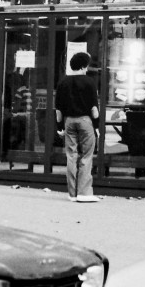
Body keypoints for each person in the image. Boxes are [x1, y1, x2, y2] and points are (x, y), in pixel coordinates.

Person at [55, 52, 100, 203]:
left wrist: (59, 126)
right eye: (86, 65)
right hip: (85, 121)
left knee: (71, 156)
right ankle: (84, 192)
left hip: (69, 121)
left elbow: (59, 110)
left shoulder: (63, 82)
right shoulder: (89, 82)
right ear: (83, 65)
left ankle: (72, 193)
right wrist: (97, 126)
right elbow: (94, 108)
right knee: (86, 156)